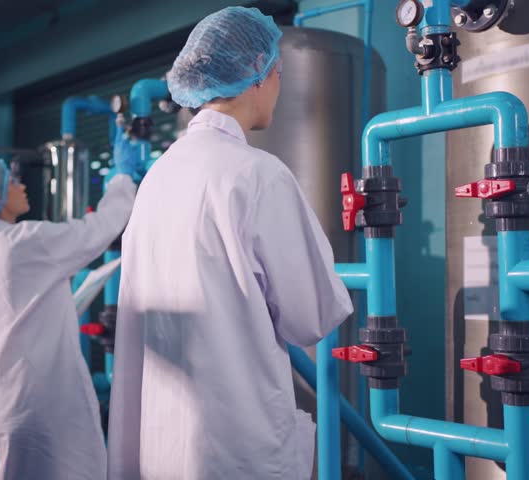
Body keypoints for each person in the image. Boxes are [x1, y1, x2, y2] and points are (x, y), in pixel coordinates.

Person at [107, 6, 353, 480]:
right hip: (235, 448)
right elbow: (312, 315)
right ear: (256, 76)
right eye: (278, 71)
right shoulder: (257, 175)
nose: (279, 86)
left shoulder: (159, 176)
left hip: (161, 446)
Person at [0, 131, 142, 480]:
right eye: (12, 182)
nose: (22, 186)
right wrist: (121, 176)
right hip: (48, 408)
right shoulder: (18, 245)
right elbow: (97, 230)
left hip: (10, 408)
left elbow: (18, 325)